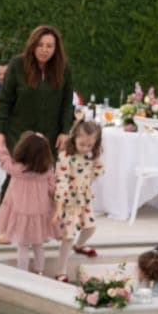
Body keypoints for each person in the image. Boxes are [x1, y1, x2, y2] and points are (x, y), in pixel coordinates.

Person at [0, 26, 76, 242]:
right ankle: (5, 229)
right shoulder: (17, 65)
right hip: (19, 135)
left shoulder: (64, 69)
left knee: (48, 182)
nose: (44, 50)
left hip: (49, 138)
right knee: (14, 178)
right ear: (32, 45)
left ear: (56, 48)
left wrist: (65, 131)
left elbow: (67, 104)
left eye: (49, 46)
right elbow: (5, 101)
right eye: (40, 45)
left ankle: (46, 228)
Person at [0, 130, 58, 276]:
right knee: (38, 244)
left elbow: (4, 160)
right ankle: (39, 271)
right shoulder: (47, 170)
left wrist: (0, 145)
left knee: (23, 246)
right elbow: (53, 188)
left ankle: (22, 275)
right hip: (40, 213)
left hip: (21, 212)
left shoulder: (17, 169)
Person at [54, 119, 106, 277]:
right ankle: (61, 271)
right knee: (68, 236)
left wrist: (96, 160)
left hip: (84, 200)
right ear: (74, 138)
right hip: (69, 201)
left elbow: (95, 174)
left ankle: (79, 246)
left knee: (90, 227)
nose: (85, 148)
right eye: (82, 144)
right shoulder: (66, 157)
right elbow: (61, 181)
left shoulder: (90, 157)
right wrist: (59, 206)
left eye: (90, 145)